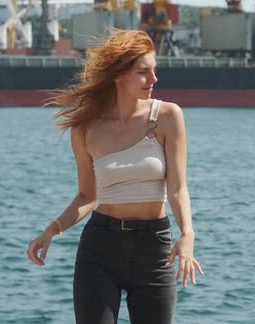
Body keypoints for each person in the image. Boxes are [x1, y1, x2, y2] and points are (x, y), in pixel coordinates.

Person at [26, 29, 204, 324]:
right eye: (143, 72)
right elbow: (87, 195)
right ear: (119, 75)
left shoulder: (168, 117)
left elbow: (177, 188)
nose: (154, 79)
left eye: (154, 71)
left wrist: (187, 234)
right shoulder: (85, 128)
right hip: (99, 248)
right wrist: (52, 230)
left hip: (154, 246)